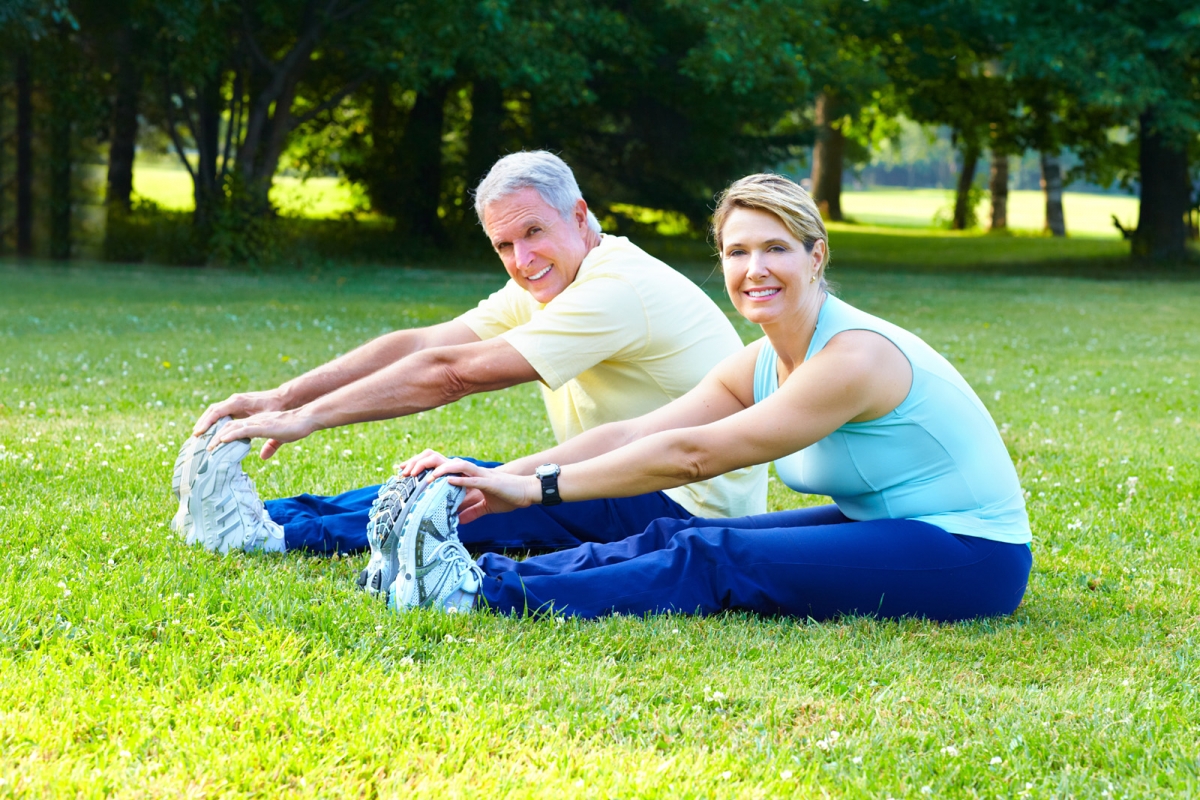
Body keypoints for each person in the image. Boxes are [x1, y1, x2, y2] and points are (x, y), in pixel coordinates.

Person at [389, 172, 1033, 622]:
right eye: (737, 251)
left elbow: (695, 455)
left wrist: (533, 491)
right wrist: (497, 477)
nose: (754, 269)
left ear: (816, 257)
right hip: (890, 526)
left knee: (716, 555)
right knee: (677, 532)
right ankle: (460, 575)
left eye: (775, 248)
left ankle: (479, 593)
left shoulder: (853, 357)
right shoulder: (762, 360)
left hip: (969, 555)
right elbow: (634, 434)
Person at [172, 151, 766, 596]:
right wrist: (281, 395)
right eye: (503, 244)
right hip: (616, 474)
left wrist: (304, 419)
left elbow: (451, 374)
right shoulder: (553, 279)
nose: (522, 260)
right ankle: (269, 517)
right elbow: (425, 342)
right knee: (450, 481)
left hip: (682, 505)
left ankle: (270, 536)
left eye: (534, 232)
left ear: (579, 215)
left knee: (458, 491)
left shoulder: (617, 289)